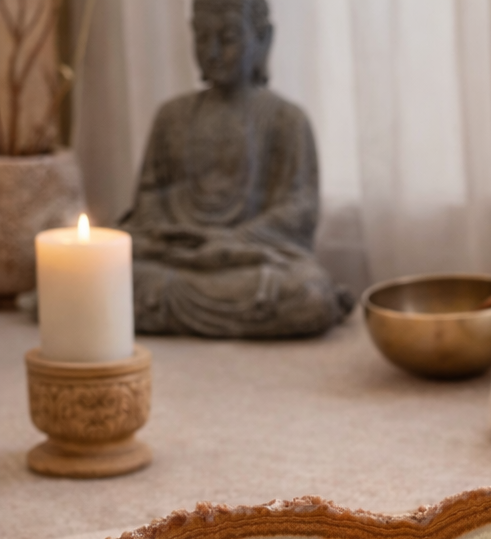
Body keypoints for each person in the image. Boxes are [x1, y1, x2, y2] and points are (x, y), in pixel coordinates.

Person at [122, 0, 349, 338]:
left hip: (248, 259)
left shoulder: (286, 119)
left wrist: (231, 241)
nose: (212, 51)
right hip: (177, 257)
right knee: (112, 278)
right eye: (202, 38)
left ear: (263, 39)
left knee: (306, 293)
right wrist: (176, 237)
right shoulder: (172, 116)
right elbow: (150, 197)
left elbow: (299, 209)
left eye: (227, 38)